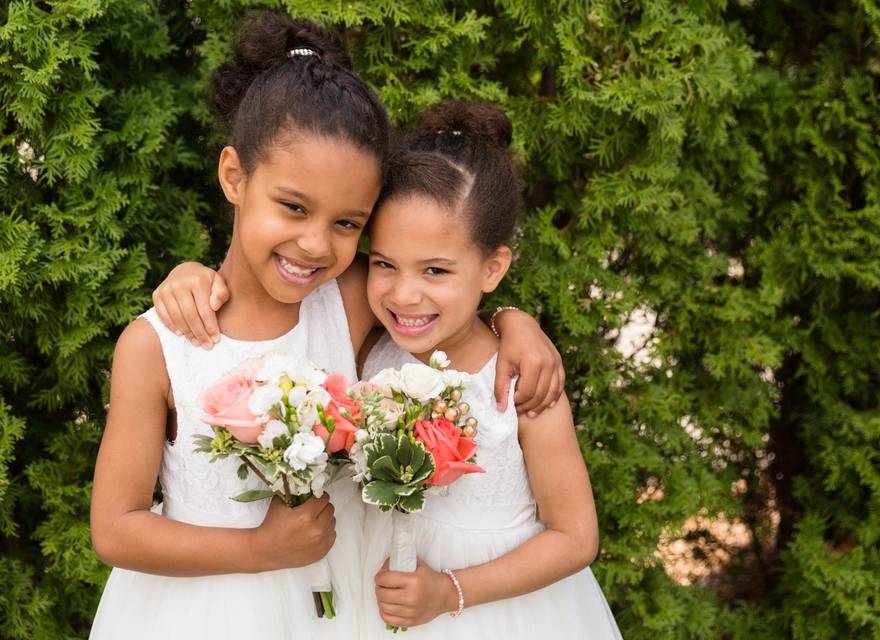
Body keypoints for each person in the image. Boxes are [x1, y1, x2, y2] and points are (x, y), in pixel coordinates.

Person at [92, 11, 564, 639]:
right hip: (201, 616)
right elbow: (116, 528)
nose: (316, 244)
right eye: (293, 207)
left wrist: (515, 322)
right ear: (234, 177)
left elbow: (443, 304)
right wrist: (260, 551)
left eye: (347, 223)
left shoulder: (349, 299)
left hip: (340, 609)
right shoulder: (158, 345)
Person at [358, 100, 622, 638]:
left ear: (493, 267)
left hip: (492, 613)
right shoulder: (368, 347)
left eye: (435, 269)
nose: (403, 294)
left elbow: (575, 537)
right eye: (384, 263)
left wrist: (450, 591)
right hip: (375, 597)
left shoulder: (522, 383)